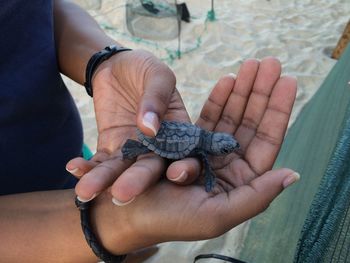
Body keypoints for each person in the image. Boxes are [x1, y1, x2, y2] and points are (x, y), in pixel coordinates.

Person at [0, 0, 299, 262]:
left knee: (134, 244)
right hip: (23, 238)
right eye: (225, 148)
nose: (226, 149)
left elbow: (35, 12)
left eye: (227, 146)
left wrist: (104, 62)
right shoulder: (201, 150)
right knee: (138, 180)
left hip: (76, 162)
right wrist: (112, 225)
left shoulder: (198, 143)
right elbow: (197, 160)